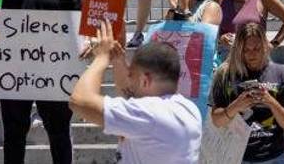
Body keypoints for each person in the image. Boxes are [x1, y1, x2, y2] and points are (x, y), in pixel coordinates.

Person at [0, 0, 82, 164]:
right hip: (15, 73)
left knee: (59, 134)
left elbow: (80, 22)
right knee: (14, 135)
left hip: (54, 73)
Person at [70, 21, 202, 164]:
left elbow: (79, 101)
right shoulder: (189, 109)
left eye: (131, 75)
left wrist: (101, 58)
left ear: (145, 81)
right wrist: (118, 62)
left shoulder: (150, 114)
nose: (129, 81)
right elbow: (129, 99)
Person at [210, 22, 284, 163]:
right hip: (236, 156)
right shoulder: (226, 74)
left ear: (265, 45)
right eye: (247, 49)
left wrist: (270, 101)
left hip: (274, 156)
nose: (252, 54)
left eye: (257, 48)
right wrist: (236, 106)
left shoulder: (283, 74)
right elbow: (216, 120)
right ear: (240, 50)